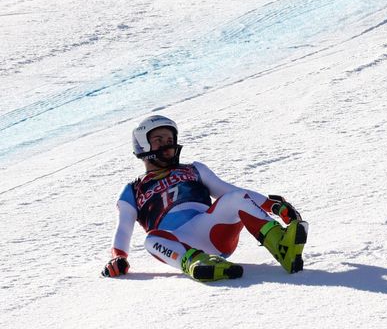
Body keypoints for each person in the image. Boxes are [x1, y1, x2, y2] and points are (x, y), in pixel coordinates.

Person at [101, 115, 308, 282]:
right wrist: (118, 257)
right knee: (152, 239)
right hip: (178, 242)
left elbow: (229, 190)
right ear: (143, 146)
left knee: (235, 198)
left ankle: (282, 246)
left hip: (210, 229)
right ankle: (198, 264)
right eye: (159, 140)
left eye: (170, 140)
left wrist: (273, 206)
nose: (168, 144)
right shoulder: (133, 189)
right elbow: (124, 228)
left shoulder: (194, 169)